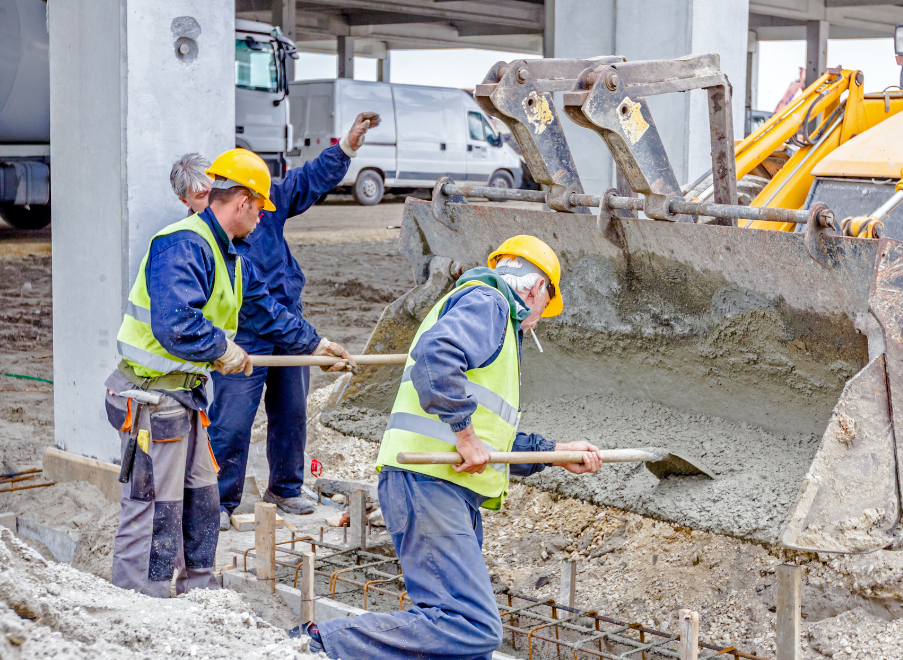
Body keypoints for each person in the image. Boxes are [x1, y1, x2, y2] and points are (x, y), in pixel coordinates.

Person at [291, 236, 603, 659]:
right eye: (547, 305)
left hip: (442, 488)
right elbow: (436, 360)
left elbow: (495, 440)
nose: (539, 320)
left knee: (463, 640)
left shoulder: (490, 316)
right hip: (428, 485)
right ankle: (323, 645)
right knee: (473, 627)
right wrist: (465, 434)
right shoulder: (489, 303)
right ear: (535, 290)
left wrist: (556, 452)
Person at [106, 148, 354, 598]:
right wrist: (224, 350)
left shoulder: (232, 258)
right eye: (260, 209)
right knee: (154, 510)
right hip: (150, 399)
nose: (262, 219)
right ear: (242, 203)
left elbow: (267, 310)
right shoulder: (183, 244)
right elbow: (176, 322)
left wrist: (316, 346)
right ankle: (140, 602)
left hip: (185, 398)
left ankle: (198, 591)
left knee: (203, 498)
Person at [170, 111, 381, 527]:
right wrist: (315, 344)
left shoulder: (259, 203)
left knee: (290, 411)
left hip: (289, 326)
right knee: (231, 420)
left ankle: (285, 487)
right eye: (200, 195)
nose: (212, 199)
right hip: (244, 336)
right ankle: (221, 501)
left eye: (214, 190)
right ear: (187, 202)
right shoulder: (199, 243)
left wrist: (346, 149)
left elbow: (305, 181)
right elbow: (254, 305)